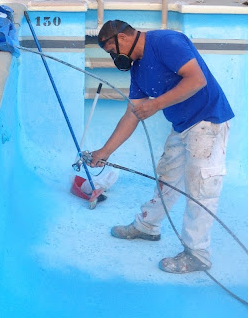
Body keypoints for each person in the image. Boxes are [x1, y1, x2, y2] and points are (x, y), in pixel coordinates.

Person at [88, 20, 234, 274]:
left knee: (200, 187)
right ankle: (147, 227)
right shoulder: (138, 70)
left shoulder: (166, 42)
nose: (114, 58)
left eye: (112, 51)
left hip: (207, 121)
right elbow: (132, 114)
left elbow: (197, 79)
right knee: (167, 178)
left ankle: (197, 253)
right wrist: (104, 152)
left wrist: (156, 105)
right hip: (181, 126)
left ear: (123, 38)